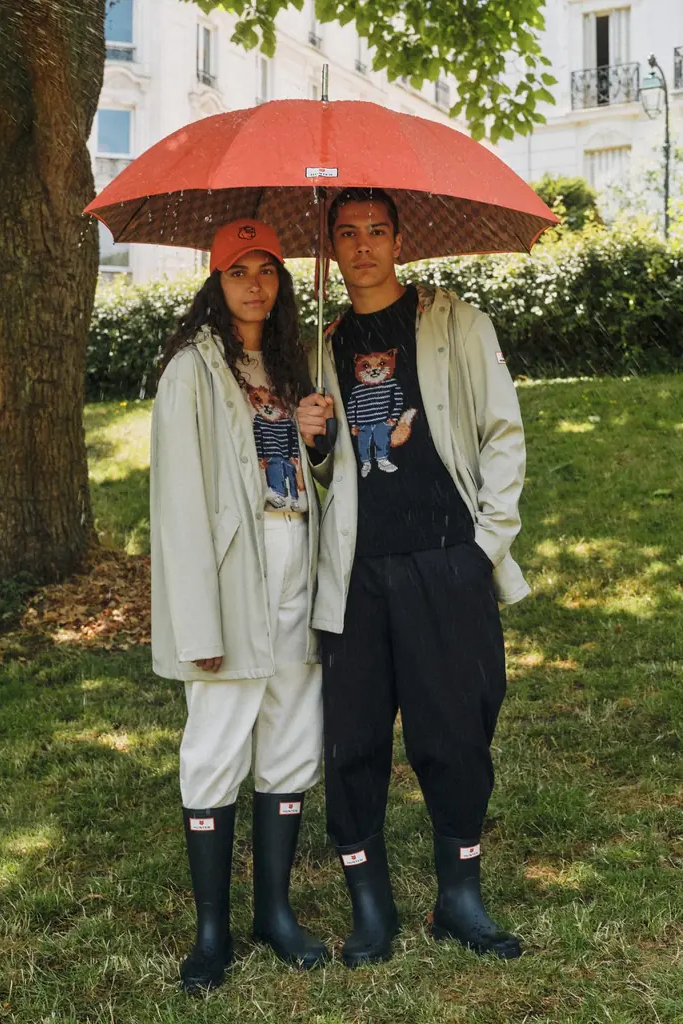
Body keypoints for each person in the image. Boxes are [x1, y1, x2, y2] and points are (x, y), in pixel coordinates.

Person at [297, 188, 528, 967]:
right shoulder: (322, 345)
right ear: (332, 247)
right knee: (353, 739)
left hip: (446, 559)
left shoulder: (455, 321)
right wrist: (316, 443)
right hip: (356, 574)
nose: (362, 245)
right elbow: (326, 475)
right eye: (347, 232)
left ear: (399, 239)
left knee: (455, 731)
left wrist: (483, 546)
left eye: (376, 230)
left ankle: (459, 897)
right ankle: (371, 906)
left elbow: (502, 432)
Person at [151, 219, 327, 995]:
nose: (255, 285)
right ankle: (211, 931)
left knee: (289, 731)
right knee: (217, 741)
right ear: (214, 282)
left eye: (267, 270)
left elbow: (317, 479)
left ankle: (275, 914)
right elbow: (179, 504)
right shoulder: (192, 371)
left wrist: (316, 439)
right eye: (238, 272)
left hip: (297, 566)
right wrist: (198, 619)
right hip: (231, 578)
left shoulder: (290, 363)